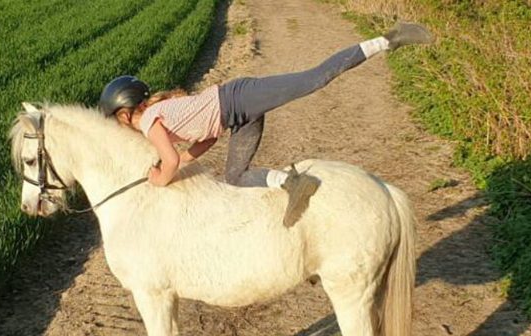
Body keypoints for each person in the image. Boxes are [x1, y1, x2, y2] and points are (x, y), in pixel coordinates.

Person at [98, 22, 432, 227]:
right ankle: (293, 184)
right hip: (238, 119)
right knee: (235, 178)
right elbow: (207, 139)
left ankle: (388, 39)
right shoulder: (162, 116)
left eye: (116, 121)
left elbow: (168, 161)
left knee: (313, 79)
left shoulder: (151, 121)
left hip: (240, 99)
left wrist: (159, 178)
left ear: (124, 113)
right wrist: (185, 159)